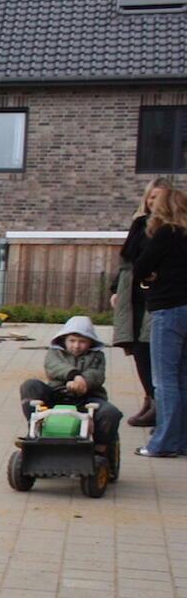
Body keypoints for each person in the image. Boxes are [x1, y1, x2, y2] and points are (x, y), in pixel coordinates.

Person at [133, 184, 187, 457]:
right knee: (183, 378)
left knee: (164, 379)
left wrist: (151, 277)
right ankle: (182, 440)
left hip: (168, 308)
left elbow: (140, 266)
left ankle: (163, 443)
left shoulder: (166, 233)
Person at [113, 178, 171, 428]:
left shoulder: (171, 229)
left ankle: (160, 403)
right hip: (133, 293)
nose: (153, 202)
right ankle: (150, 398)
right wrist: (116, 289)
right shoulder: (138, 225)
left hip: (157, 295)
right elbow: (126, 260)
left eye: (159, 197)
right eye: (150, 197)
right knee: (137, 348)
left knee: (152, 347)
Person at [20, 317, 122, 447]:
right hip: (56, 395)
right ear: (64, 340)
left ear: (90, 342)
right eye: (72, 341)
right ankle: (34, 427)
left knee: (111, 413)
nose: (76, 346)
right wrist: (74, 376)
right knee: (30, 385)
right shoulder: (55, 352)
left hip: (87, 399)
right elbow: (54, 367)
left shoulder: (97, 356)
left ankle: (100, 446)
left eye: (82, 341)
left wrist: (83, 382)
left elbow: (97, 375)